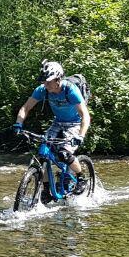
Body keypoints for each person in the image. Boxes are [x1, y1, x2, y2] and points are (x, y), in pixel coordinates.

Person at [13, 60, 91, 194]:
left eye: (48, 82)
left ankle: (81, 178)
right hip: (58, 122)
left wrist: (81, 135)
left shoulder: (70, 90)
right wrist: (19, 123)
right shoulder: (42, 90)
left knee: (64, 154)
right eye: (44, 81)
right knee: (43, 153)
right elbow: (26, 107)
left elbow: (85, 115)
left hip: (74, 123)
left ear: (58, 79)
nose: (45, 84)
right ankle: (47, 189)